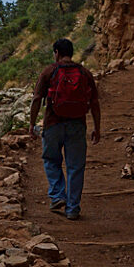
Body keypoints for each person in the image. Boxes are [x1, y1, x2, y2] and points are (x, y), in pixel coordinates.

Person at [29, 38, 100, 220]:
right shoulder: (84, 73)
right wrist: (97, 128)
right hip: (77, 124)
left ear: (56, 53)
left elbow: (37, 98)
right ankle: (73, 208)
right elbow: (94, 103)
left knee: (51, 160)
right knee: (75, 167)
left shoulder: (49, 71)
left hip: (53, 124)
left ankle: (58, 195)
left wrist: (32, 124)